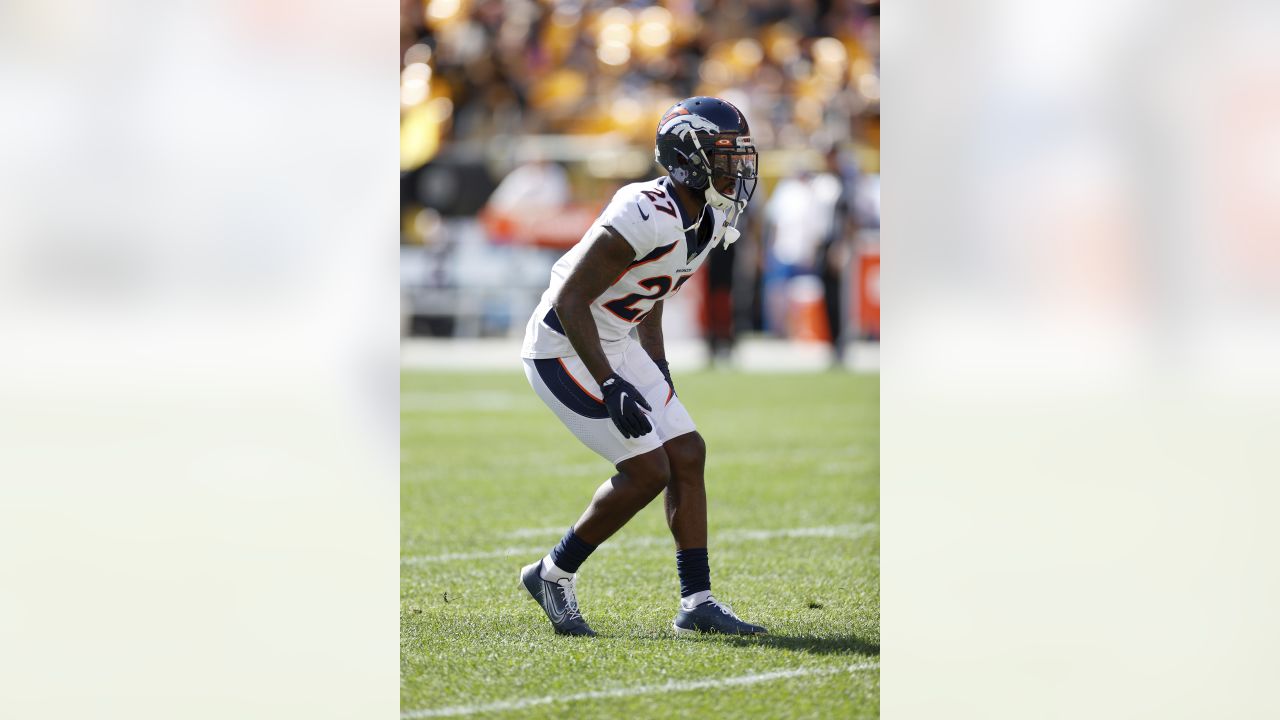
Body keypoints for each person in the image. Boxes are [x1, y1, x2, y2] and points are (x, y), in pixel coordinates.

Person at [518, 97, 767, 637]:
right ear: (688, 157)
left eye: (738, 156)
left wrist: (658, 367)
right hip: (563, 345)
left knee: (687, 452)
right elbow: (570, 299)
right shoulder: (645, 210)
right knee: (648, 470)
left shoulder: (707, 214)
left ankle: (696, 602)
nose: (737, 168)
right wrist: (611, 383)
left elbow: (652, 292)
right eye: (724, 156)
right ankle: (552, 574)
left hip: (616, 337)